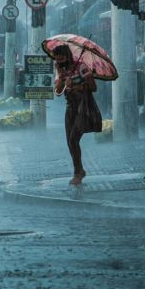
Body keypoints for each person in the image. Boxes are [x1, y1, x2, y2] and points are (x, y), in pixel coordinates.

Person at [53, 44, 101, 186]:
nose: (59, 62)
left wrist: (75, 86)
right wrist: (61, 80)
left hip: (82, 107)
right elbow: (57, 92)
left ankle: (78, 172)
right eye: (57, 59)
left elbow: (93, 87)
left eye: (62, 59)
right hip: (70, 108)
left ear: (68, 56)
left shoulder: (81, 67)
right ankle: (79, 170)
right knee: (70, 142)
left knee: (74, 139)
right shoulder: (60, 70)